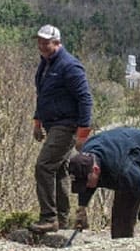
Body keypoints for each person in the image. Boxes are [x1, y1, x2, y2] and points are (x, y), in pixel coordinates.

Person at [28, 24, 93, 234]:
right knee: (59, 170)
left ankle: (49, 217)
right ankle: (62, 220)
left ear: (57, 42)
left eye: (46, 42)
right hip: (52, 123)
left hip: (66, 125)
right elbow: (43, 95)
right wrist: (37, 121)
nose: (42, 45)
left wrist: (83, 133)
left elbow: (85, 98)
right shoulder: (46, 64)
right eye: (39, 41)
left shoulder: (69, 66)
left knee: (44, 166)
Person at [68, 127, 140, 238]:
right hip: (131, 157)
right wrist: (82, 207)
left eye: (86, 182)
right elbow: (85, 180)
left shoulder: (123, 168)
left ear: (96, 170)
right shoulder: (86, 158)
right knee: (121, 219)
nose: (85, 186)